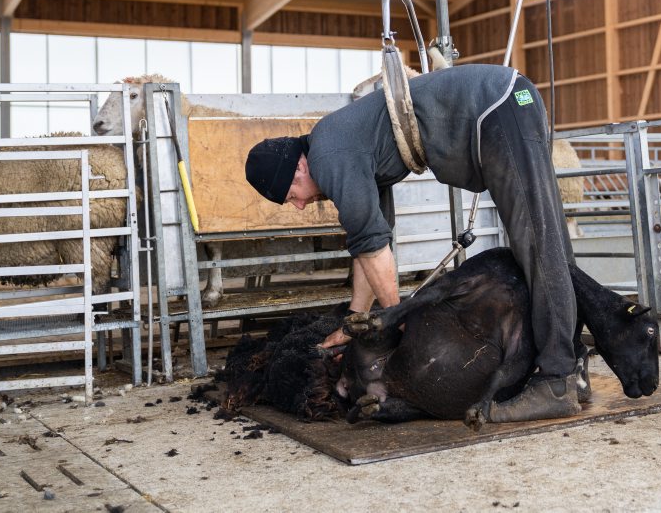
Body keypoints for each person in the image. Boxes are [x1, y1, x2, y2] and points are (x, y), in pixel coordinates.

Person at [244, 63, 581, 422]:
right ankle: (573, 364)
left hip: (497, 108)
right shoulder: (341, 144)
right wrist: (356, 319)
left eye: (290, 195)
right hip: (504, 103)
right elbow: (368, 242)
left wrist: (397, 323)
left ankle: (557, 382)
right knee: (547, 241)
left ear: (297, 168)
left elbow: (373, 247)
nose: (298, 204)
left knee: (538, 244)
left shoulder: (327, 158)